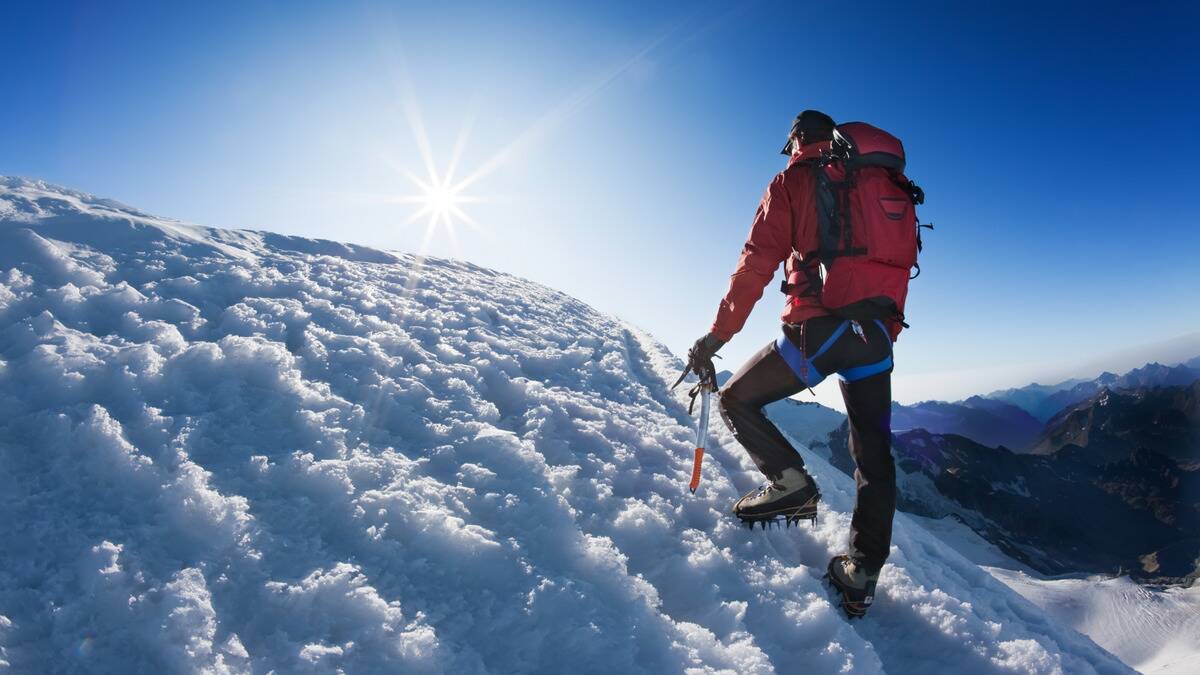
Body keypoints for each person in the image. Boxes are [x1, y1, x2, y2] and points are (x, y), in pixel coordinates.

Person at [684, 110, 906, 617]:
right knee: (874, 456)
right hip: (874, 339)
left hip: (822, 333)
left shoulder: (793, 181)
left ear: (795, 140)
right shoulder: (877, 180)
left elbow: (757, 261)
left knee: (739, 398)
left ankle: (792, 485)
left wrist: (718, 336)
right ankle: (862, 574)